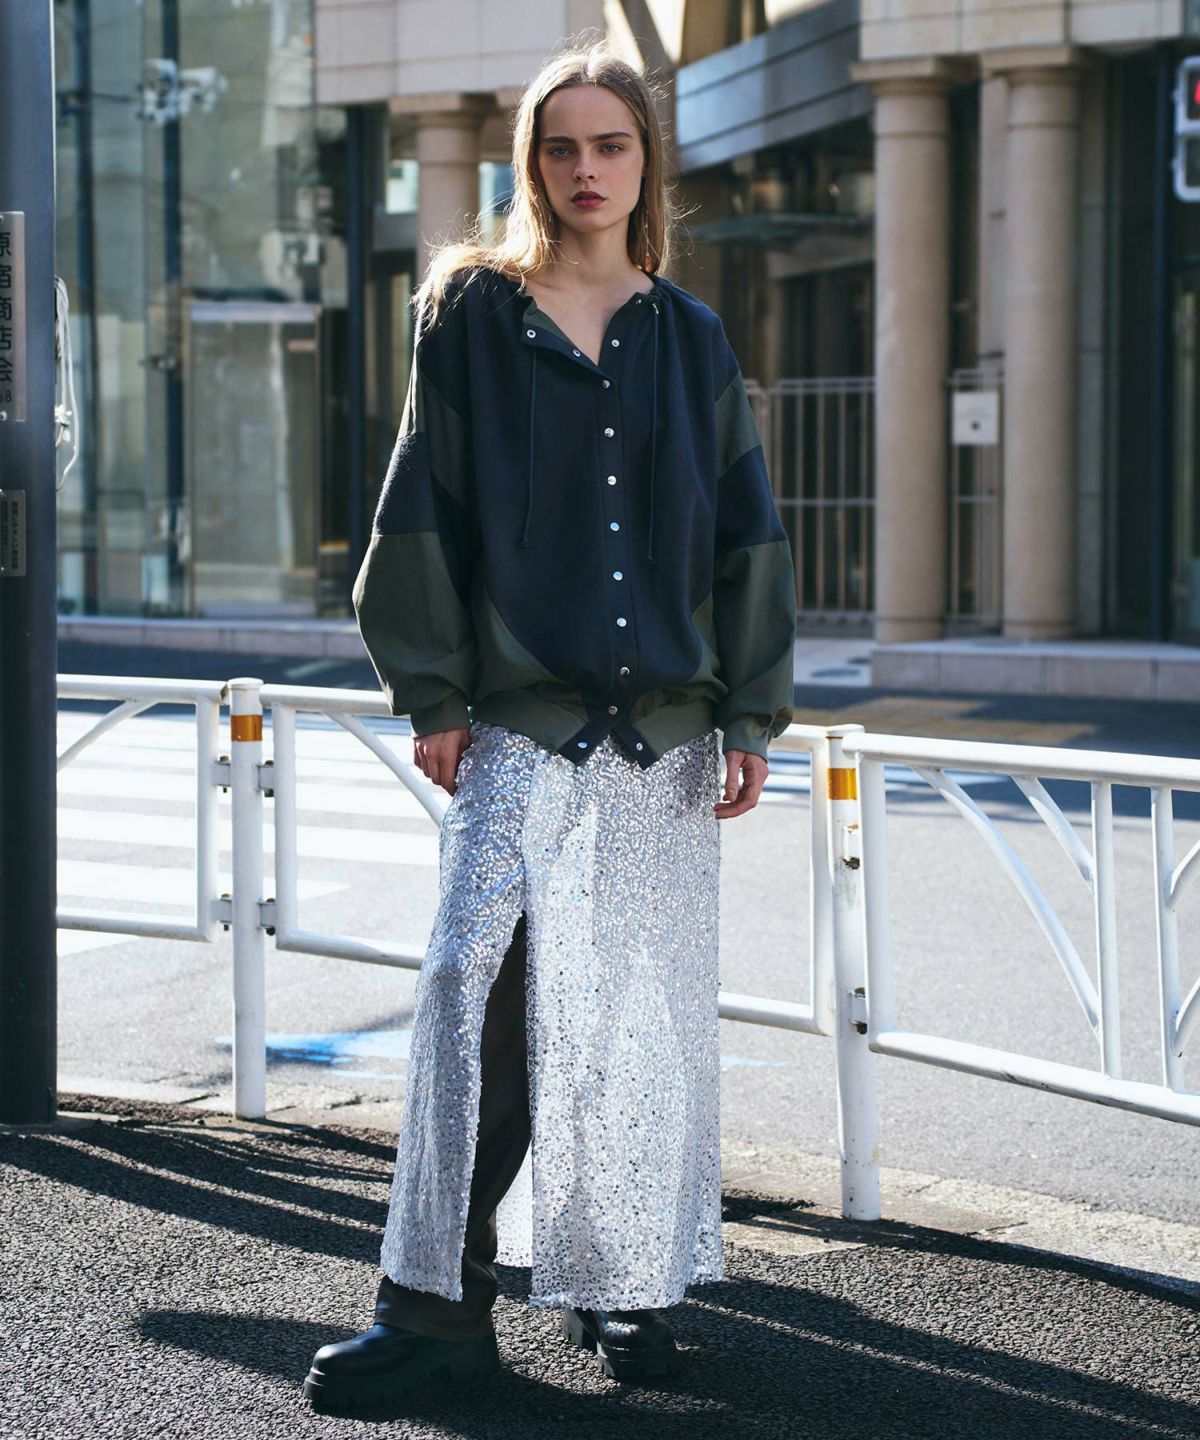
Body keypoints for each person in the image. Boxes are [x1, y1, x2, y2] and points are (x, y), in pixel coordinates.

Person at [303, 34, 797, 1414]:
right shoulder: (474, 310)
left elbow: (748, 532)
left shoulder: (690, 337)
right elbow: (421, 501)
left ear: (645, 162)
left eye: (611, 145)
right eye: (561, 146)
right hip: (521, 725)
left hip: (669, 737)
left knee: (635, 1019)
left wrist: (752, 710)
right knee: (472, 1004)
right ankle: (433, 1312)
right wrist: (433, 690)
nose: (588, 169)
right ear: (531, 164)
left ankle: (622, 1279)